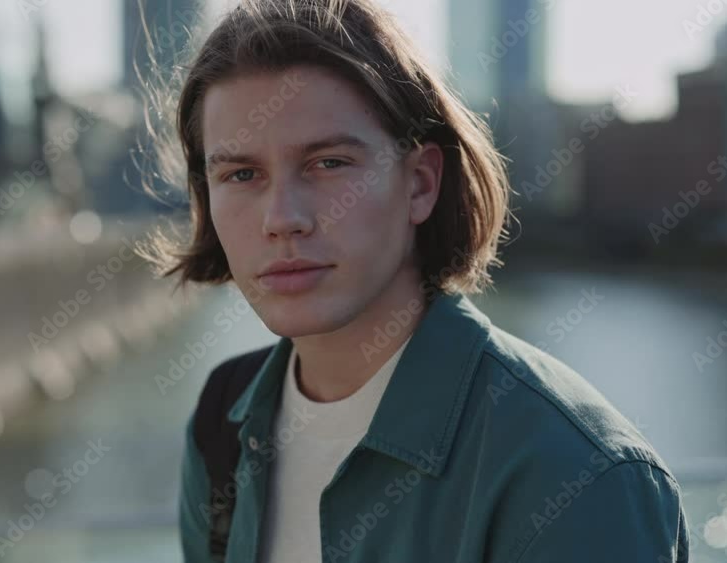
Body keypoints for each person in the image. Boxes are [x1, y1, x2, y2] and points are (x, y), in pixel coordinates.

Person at [139, 0, 689, 561]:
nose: (282, 218)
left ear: (420, 183)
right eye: (241, 174)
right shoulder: (224, 421)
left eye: (328, 163)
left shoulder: (576, 475)